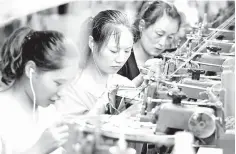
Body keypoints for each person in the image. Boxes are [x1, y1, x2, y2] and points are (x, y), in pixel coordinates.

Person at [0, 27, 79, 154]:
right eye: (58, 83)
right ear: (30, 70)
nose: (63, 93)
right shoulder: (3, 113)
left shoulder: (48, 111)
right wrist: (38, 150)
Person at [55, 10, 135, 115]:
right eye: (113, 51)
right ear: (92, 43)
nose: (121, 59)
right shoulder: (70, 88)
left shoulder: (125, 84)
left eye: (127, 51)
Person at [118, 0, 182, 87]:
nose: (163, 43)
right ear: (142, 26)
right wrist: (141, 78)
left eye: (170, 37)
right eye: (159, 34)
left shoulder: (164, 61)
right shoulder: (119, 61)